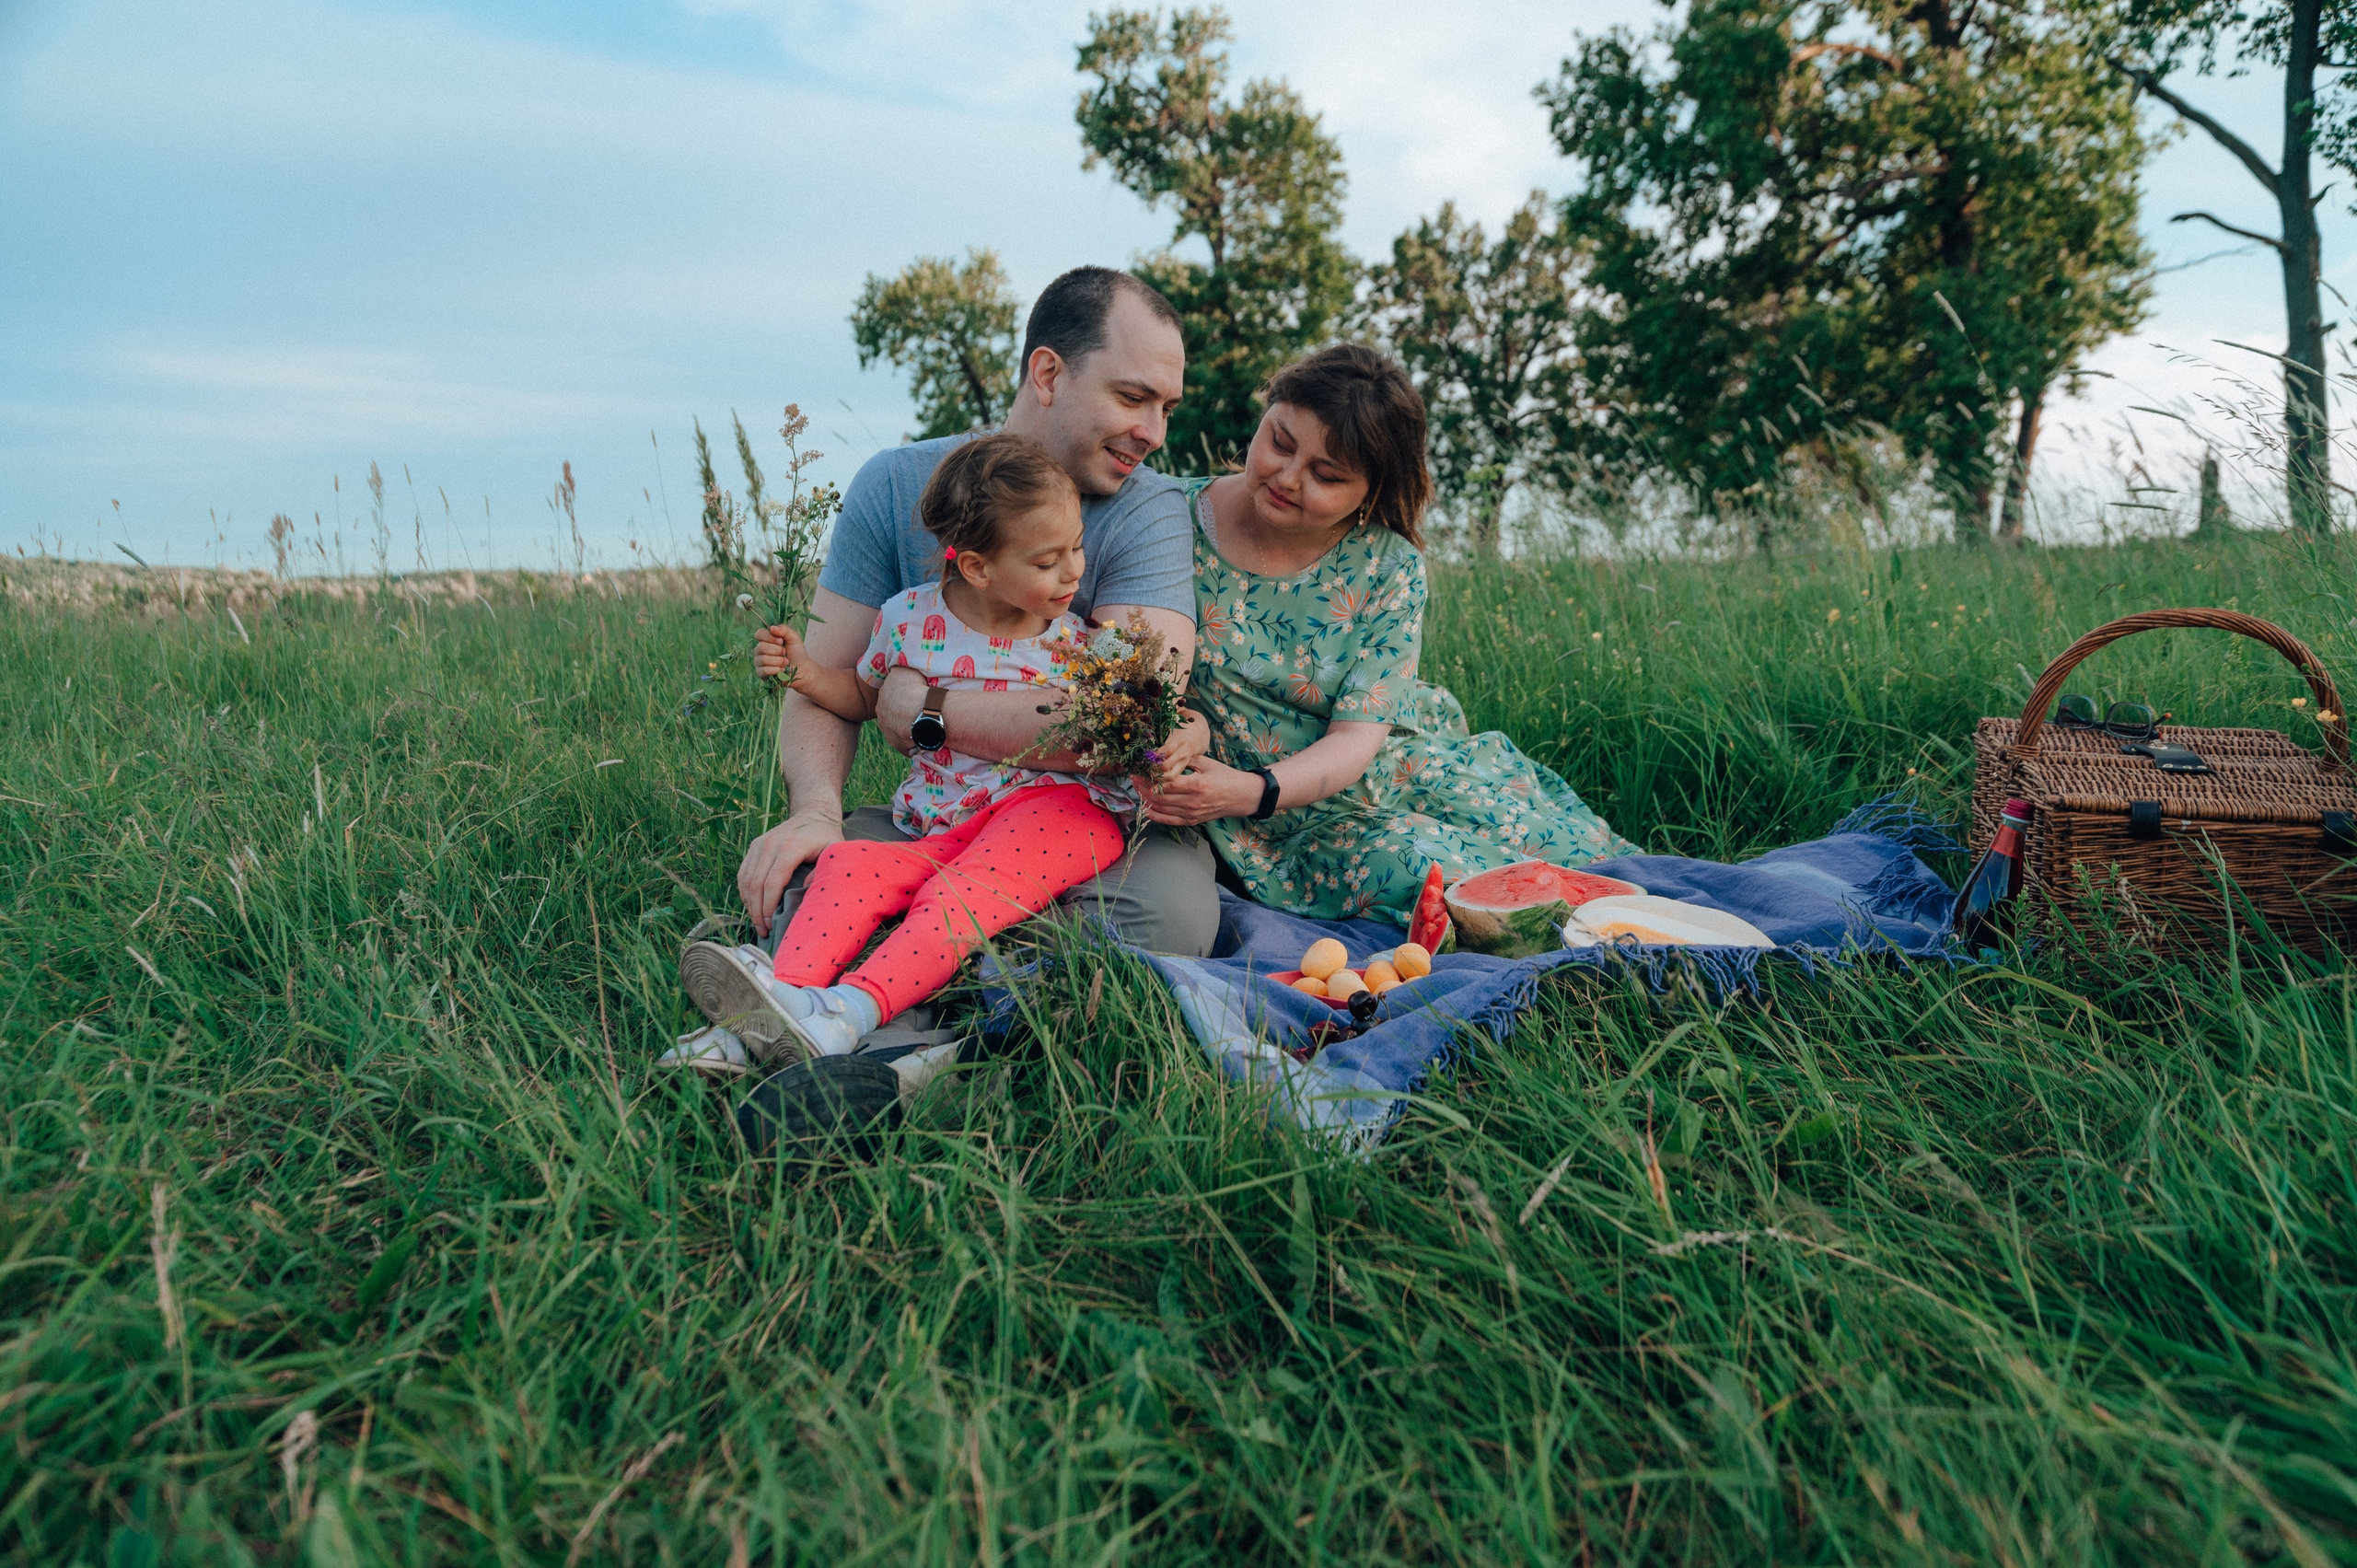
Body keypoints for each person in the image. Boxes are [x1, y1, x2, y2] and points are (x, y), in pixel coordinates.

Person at [665, 266, 1217, 1083]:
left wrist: (925, 705)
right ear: (1048, 373)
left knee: (1167, 916)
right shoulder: (895, 485)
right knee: (824, 869)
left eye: (1167, 408)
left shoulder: (1151, 509)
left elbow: (1122, 722)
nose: (1155, 432)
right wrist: (816, 810)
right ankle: (822, 1021)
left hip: (1082, 824)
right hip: (946, 814)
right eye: (1135, 397)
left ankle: (889, 1033)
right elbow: (836, 668)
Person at [1141, 344, 1638, 924]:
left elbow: (1357, 737)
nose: (1288, 477)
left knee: (1572, 868)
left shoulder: (1386, 565)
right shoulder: (1162, 518)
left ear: (1371, 490)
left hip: (1369, 771)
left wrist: (1254, 790)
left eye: (1327, 475)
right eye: (1280, 441)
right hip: (1273, 823)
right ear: (1267, 410)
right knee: (1420, 875)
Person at [679, 435, 1135, 1064]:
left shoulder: (1084, 645)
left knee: (960, 895)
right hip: (948, 820)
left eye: (1077, 547)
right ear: (977, 567)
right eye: (1047, 560)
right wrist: (804, 673)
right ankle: (770, 1010)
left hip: (1055, 812)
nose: (1074, 571)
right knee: (849, 865)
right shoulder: (910, 620)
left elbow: (1135, 723)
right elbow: (863, 696)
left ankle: (847, 1013)